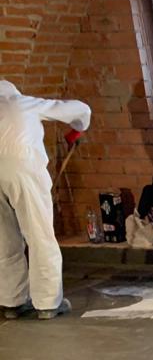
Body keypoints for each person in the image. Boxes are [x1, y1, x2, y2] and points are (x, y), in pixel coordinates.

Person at [0, 80, 91, 320]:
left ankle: (12, 302)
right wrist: (77, 129)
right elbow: (81, 109)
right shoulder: (23, 103)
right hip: (23, 171)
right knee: (39, 235)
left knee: (4, 239)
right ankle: (48, 303)